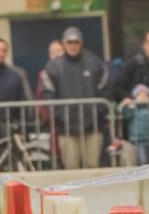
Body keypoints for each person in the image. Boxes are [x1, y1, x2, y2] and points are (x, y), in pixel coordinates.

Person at [41, 27, 108, 169]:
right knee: (71, 168)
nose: (72, 45)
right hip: (66, 130)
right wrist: (60, 116)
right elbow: (48, 95)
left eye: (76, 42)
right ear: (64, 44)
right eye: (69, 42)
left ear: (81, 43)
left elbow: (105, 89)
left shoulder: (95, 63)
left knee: (92, 167)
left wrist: (98, 113)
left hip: (93, 128)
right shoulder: (53, 67)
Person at [122, 84, 149, 165]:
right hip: (138, 138)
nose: (143, 96)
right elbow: (126, 115)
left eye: (145, 94)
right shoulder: (132, 108)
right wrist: (127, 106)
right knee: (142, 159)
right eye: (140, 94)